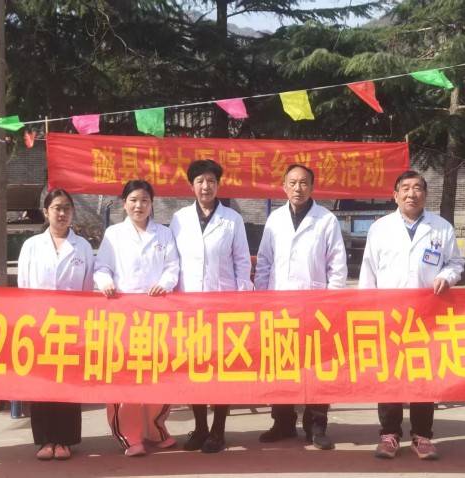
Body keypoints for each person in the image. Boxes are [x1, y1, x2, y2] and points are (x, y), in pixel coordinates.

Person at [358, 170, 464, 461]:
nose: (411, 194)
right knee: (389, 374)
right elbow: (368, 270)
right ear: (395, 195)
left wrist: (446, 276)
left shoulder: (441, 227)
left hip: (426, 315)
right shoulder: (380, 228)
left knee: (423, 375)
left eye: (417, 188)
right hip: (388, 314)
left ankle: (422, 435)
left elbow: (456, 263)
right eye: (405, 188)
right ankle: (389, 434)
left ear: (425, 195)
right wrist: (366, 309)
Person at [254, 164, 347, 451]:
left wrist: (332, 302)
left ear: (312, 187)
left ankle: (316, 426)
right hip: (279, 304)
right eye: (292, 183)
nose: (298, 188)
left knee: (317, 367)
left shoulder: (326, 219)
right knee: (282, 366)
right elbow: (264, 261)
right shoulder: (275, 219)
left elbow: (337, 264)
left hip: (316, 306)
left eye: (304, 183)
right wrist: (262, 298)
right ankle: (282, 422)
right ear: (283, 186)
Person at [170, 159, 253, 453]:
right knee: (196, 368)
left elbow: (242, 261)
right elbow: (173, 260)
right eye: (200, 181)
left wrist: (242, 297)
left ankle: (218, 430)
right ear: (191, 186)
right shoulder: (179, 219)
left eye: (211, 181)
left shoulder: (232, 219)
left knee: (221, 369)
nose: (206, 186)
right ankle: (200, 428)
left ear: (218, 185)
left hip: (223, 305)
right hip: (189, 305)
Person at [94, 179, 180, 457]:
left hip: (157, 316)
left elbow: (173, 267)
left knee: (158, 372)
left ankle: (156, 428)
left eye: (144, 200)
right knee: (125, 375)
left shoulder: (163, 233)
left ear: (152, 204)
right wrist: (106, 282)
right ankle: (130, 436)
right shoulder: (114, 234)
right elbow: (101, 267)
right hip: (123, 316)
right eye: (133, 200)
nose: (139, 206)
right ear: (124, 204)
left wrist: (165, 284)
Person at [17, 189, 94, 461]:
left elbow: (88, 287)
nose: (62, 213)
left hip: (71, 325)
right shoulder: (31, 246)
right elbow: (24, 285)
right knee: (42, 383)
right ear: (46, 212)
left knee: (68, 382)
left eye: (67, 208)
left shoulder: (83, 247)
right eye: (57, 208)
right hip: (39, 324)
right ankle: (45, 440)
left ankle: (65, 440)